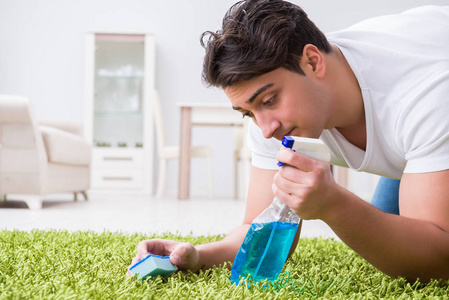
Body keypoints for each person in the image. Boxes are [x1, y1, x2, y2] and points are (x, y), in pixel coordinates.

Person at [128, 0, 449, 282]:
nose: (266, 129)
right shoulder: (271, 117)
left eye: (268, 100)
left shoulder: (424, 99)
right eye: (248, 112)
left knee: (409, 252)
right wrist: (195, 255)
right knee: (385, 230)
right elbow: (260, 224)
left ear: (313, 62)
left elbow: (440, 258)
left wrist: (334, 205)